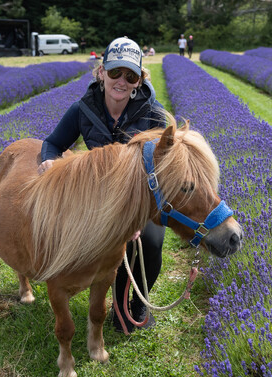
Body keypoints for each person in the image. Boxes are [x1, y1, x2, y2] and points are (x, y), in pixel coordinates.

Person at [38, 36, 166, 334]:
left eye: (130, 75)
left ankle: (136, 304)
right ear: (101, 72)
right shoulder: (83, 109)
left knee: (148, 243)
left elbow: (163, 161)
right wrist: (48, 161)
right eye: (115, 73)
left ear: (138, 81)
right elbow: (53, 143)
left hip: (138, 197)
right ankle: (92, 292)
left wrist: (135, 212)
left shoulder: (152, 111)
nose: (121, 81)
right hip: (96, 197)